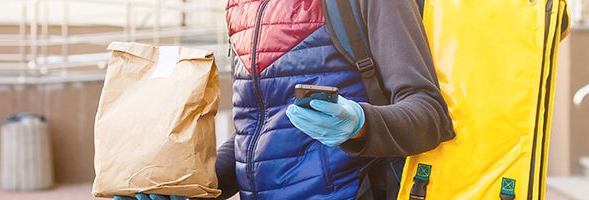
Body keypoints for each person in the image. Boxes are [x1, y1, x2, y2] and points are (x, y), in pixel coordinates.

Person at [115, 0, 454, 199]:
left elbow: (429, 114)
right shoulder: (241, 8)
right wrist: (186, 183)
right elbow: (255, 135)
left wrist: (360, 124)